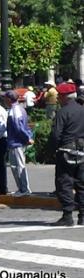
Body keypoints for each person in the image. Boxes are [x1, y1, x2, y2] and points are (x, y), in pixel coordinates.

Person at [50, 82, 84, 226]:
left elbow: (56, 135)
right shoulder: (82, 110)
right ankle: (83, 216)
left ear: (65, 97)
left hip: (66, 151)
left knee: (64, 182)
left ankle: (67, 215)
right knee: (82, 184)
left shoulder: (62, 112)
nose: (57, 99)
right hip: (82, 151)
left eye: (59, 96)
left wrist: (52, 150)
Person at [4, 90, 33, 197]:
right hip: (16, 142)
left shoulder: (15, 110)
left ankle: (24, 189)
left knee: (18, 166)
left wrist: (26, 138)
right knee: (16, 166)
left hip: (17, 143)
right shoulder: (18, 109)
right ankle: (22, 188)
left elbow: (19, 127)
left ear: (8, 99)